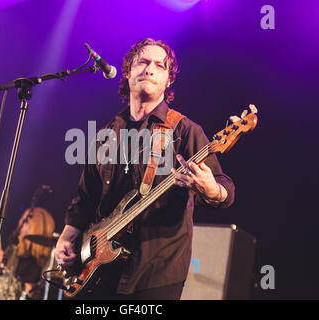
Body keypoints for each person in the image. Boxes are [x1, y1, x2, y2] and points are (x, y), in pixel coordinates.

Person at [55, 38, 235, 300]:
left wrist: (213, 190)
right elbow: (85, 199)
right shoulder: (105, 135)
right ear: (127, 71)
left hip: (157, 272)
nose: (150, 69)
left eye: (159, 66)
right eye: (143, 62)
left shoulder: (184, 131)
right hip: (98, 272)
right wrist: (67, 238)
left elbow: (225, 189)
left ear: (168, 80)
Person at [0, 207, 55, 300]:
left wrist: (30, 289)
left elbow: (48, 290)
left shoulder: (50, 258)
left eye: (25, 221)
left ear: (37, 226)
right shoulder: (14, 251)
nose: (20, 226)